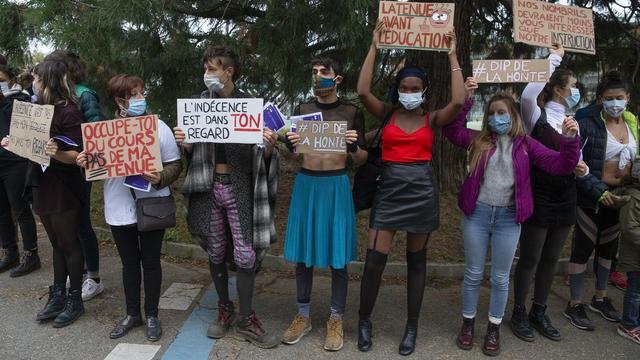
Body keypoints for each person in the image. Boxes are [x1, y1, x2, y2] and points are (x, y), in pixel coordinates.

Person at [444, 78, 580, 356]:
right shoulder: (478, 141)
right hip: (478, 216)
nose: (496, 118)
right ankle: (468, 324)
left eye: (502, 113)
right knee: (472, 274)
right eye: (492, 113)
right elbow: (450, 130)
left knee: (500, 277)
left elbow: (562, 165)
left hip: (508, 218)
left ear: (513, 115)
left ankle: (493, 327)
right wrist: (467, 98)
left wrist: (570, 140)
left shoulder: (527, 145)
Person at [355, 22, 465, 356]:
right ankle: (363, 320)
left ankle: (411, 328)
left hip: (421, 191)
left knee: (417, 263)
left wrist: (452, 54)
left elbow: (459, 101)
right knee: (375, 261)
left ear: (424, 90)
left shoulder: (431, 119)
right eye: (405, 86)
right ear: (398, 89)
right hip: (389, 189)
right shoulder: (387, 113)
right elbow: (362, 93)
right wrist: (375, 46)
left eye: (415, 87)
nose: (410, 91)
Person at [174, 45, 280, 349]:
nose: (206, 74)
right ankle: (224, 308)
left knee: (246, 254)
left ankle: (246, 318)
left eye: (212, 69)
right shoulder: (197, 104)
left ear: (228, 72)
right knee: (216, 251)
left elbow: (265, 156)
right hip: (207, 187)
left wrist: (269, 146)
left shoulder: (250, 105)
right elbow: (191, 153)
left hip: (241, 188)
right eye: (205, 69)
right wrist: (187, 143)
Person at [76, 73, 182, 341]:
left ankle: (153, 315)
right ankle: (133, 314)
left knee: (151, 263)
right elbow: (95, 171)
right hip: (119, 207)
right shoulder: (104, 133)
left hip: (152, 205)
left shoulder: (160, 128)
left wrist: (160, 178)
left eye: (141, 92)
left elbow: (175, 164)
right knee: (129, 265)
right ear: (119, 100)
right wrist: (85, 163)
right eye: (133, 95)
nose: (139, 99)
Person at [281, 56, 367, 352]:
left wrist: (355, 146)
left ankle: (336, 318)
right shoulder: (302, 110)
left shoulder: (351, 111)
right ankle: (303, 315)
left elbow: (362, 158)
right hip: (307, 184)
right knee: (304, 255)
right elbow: (293, 156)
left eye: (324, 71)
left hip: (336, 184)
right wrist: (290, 145)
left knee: (338, 255)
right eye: (314, 71)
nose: (318, 75)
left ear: (338, 78)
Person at [2, 60, 86, 327]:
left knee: (69, 243)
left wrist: (58, 153)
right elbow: (30, 146)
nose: (33, 82)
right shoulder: (36, 109)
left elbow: (79, 155)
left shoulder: (69, 112)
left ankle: (76, 299)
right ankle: (58, 293)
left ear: (49, 81)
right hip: (40, 181)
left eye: (37, 78)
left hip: (63, 185)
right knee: (56, 244)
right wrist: (14, 143)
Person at [511, 44, 586, 342]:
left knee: (551, 259)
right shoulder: (536, 116)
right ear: (557, 89)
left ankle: (538, 311)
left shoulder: (573, 122)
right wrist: (554, 59)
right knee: (530, 258)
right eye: (573, 86)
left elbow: (579, 162)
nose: (577, 91)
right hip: (540, 196)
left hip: (566, 197)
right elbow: (528, 94)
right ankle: (518, 311)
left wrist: (584, 171)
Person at [565, 71, 636, 330]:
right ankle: (574, 303)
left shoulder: (632, 125)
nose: (614, 103)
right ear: (601, 100)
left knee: (608, 251)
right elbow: (577, 162)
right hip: (590, 196)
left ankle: (601, 297)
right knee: (582, 249)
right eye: (609, 98)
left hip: (619, 198)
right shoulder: (588, 123)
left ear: (628, 98)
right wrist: (599, 192)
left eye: (619, 98)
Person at [45, 50, 106, 301]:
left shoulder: (84, 95)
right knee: (70, 226)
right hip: (60, 171)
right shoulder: (56, 98)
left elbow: (96, 130)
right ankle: (77, 271)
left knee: (81, 223)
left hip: (80, 169)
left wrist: (91, 163)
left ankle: (93, 276)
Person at [0, 64, 40, 277]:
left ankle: (31, 255)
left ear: (9, 80)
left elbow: (25, 123)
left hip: (15, 163)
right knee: (2, 211)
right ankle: (9, 252)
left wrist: (4, 99)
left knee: (20, 209)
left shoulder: (20, 99)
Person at [613, 159, 640, 345]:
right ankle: (628, 324)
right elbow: (629, 228)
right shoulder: (632, 198)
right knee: (635, 291)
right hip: (635, 256)